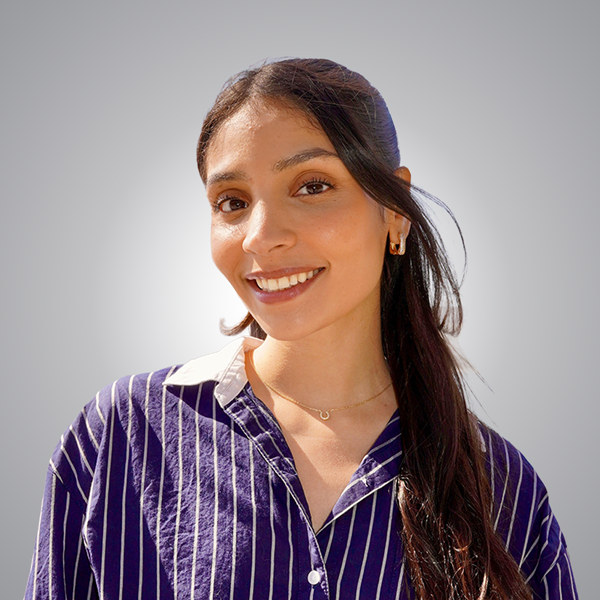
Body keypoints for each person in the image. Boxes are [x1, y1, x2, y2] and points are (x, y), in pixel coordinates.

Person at [25, 58, 578, 600]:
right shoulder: (120, 434)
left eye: (311, 186)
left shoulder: (503, 488)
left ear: (395, 210)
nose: (261, 237)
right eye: (232, 202)